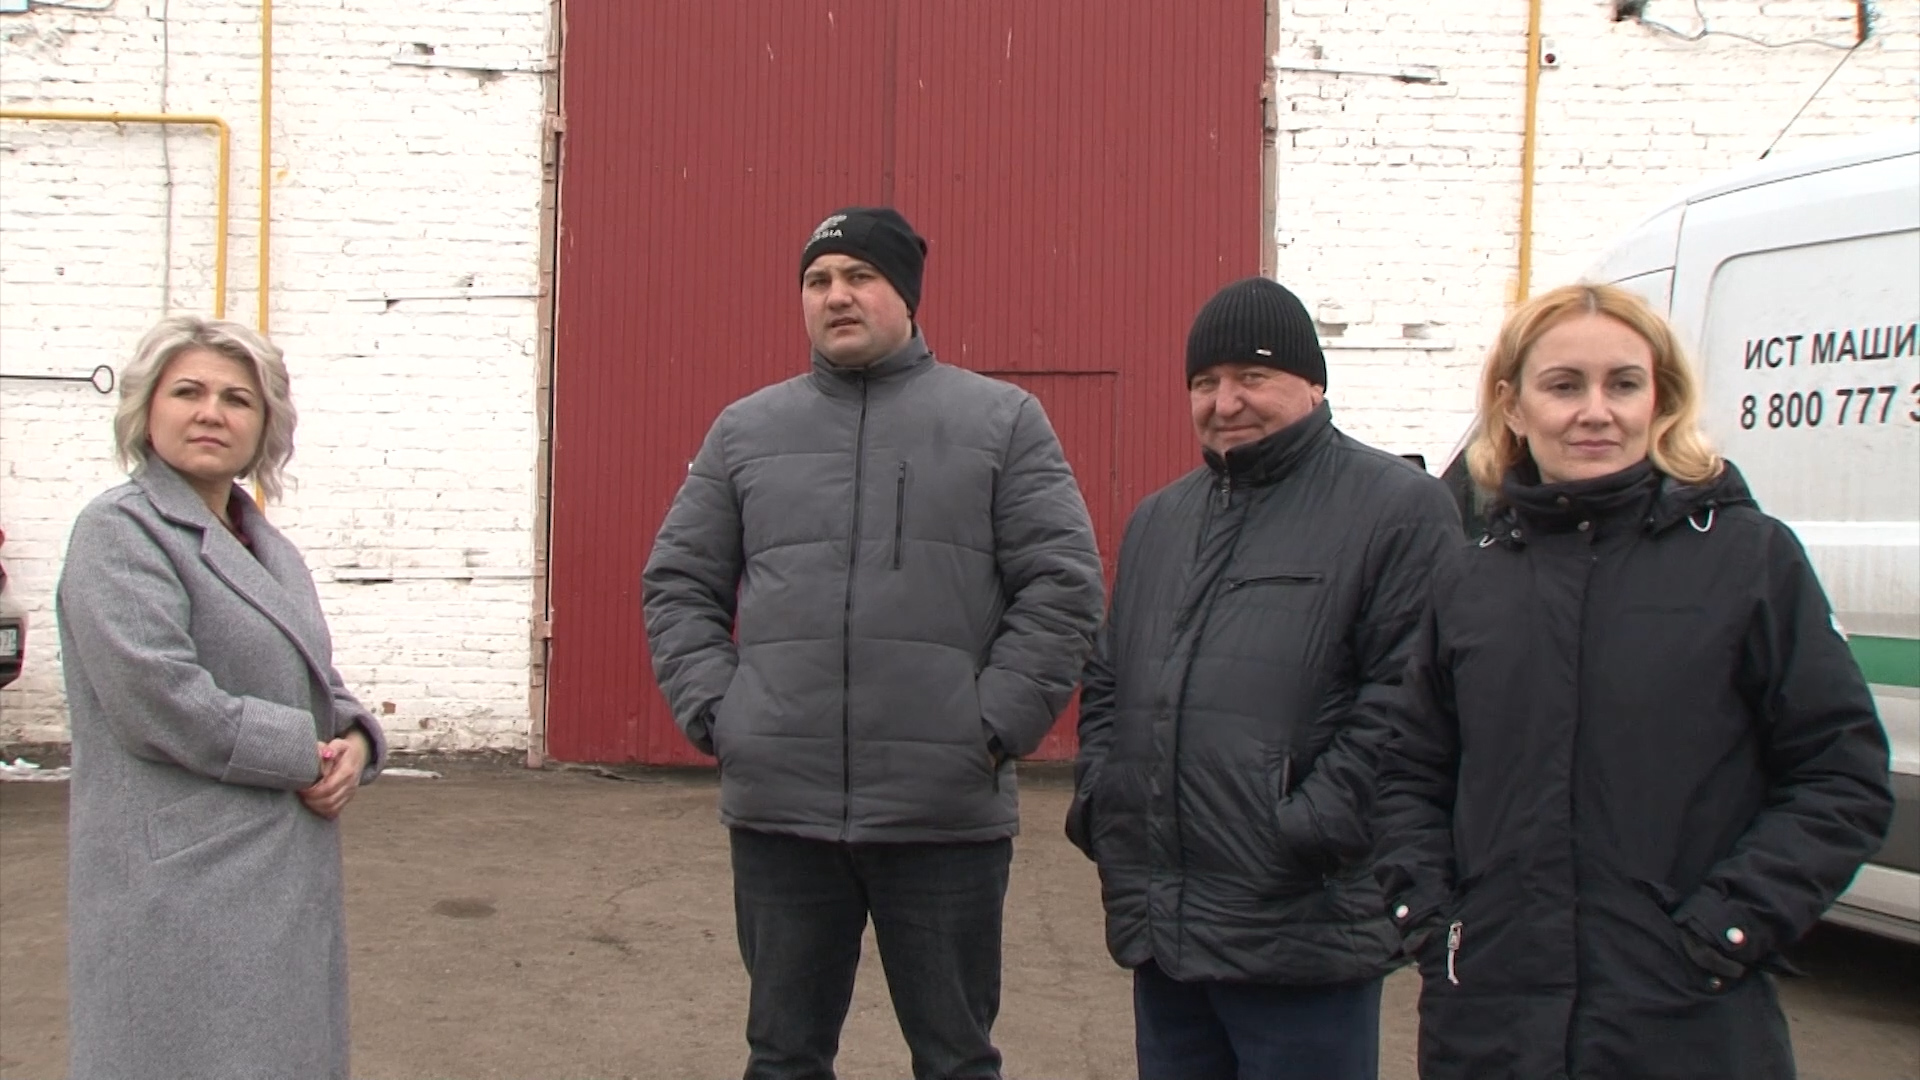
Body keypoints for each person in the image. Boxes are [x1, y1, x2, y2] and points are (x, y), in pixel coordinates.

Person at [1373, 284, 1893, 1079]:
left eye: (1623, 384)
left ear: (1661, 400)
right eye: (1564, 385)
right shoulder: (1472, 582)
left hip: (1686, 1024)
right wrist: (1433, 920)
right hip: (1492, 1026)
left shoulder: (1748, 560)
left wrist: (1724, 930)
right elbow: (1410, 773)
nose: (1596, 412)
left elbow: (1840, 775)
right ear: (1512, 407)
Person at [642, 206, 1104, 1080]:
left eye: (860, 276)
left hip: (943, 815)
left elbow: (1064, 585)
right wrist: (723, 714)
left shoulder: (1002, 422)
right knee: (783, 1056)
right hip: (783, 815)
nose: (837, 296)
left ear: (907, 295)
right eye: (818, 280)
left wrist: (990, 727)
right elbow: (678, 582)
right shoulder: (745, 432)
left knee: (956, 1059)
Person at [1066, 277, 1462, 1080]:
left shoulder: (1399, 509)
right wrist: (1106, 799)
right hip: (1166, 929)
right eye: (1205, 383)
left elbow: (1409, 703)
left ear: (1313, 384)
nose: (1226, 402)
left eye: (1252, 376)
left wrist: (1308, 829)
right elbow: (1109, 679)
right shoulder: (1160, 520)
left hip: (1301, 928)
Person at [57, 315, 387, 1080]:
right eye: (188, 392)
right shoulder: (119, 532)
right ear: (146, 410)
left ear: (266, 425)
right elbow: (159, 699)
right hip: (182, 886)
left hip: (279, 878)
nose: (212, 412)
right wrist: (305, 754)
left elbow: (315, 680)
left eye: (238, 399)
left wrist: (357, 742)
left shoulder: (268, 546)